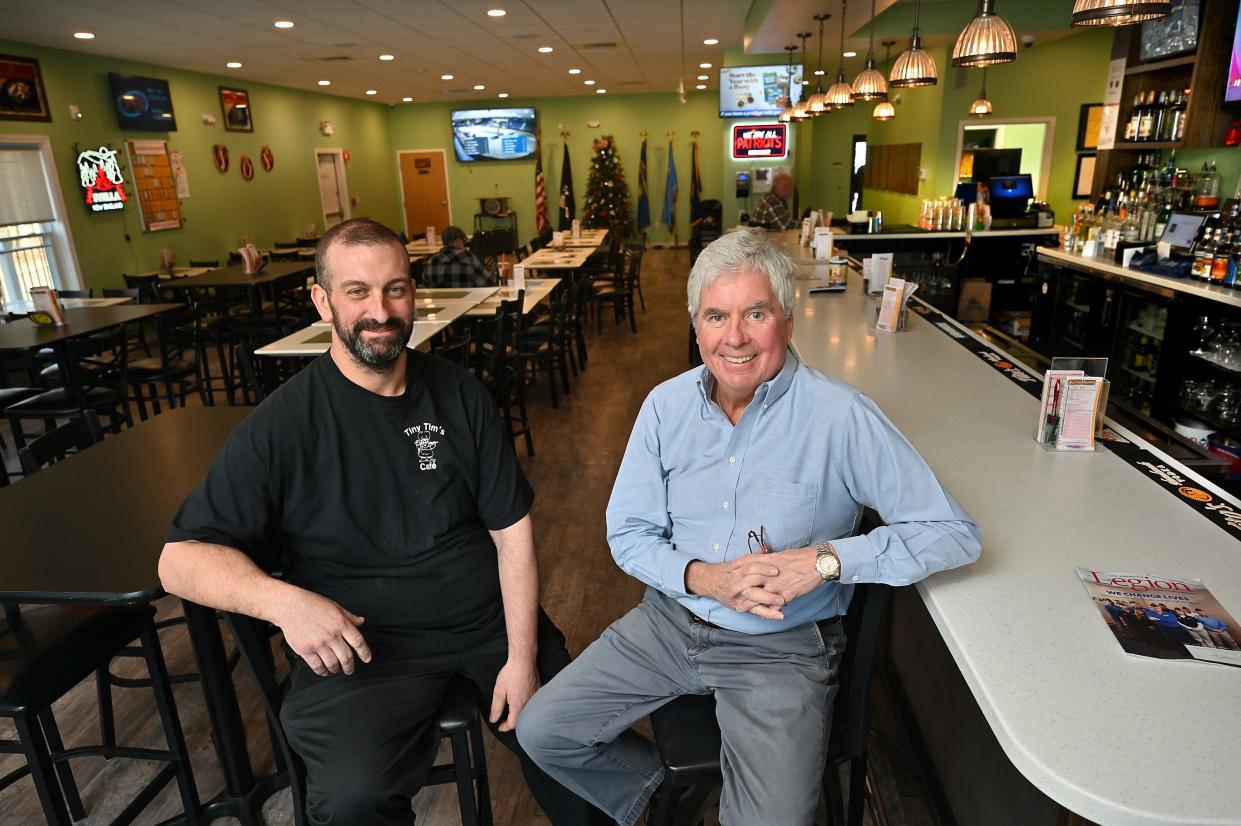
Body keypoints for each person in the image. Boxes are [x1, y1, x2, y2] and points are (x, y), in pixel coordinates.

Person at [516, 230, 982, 826]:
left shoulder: (839, 416)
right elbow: (628, 532)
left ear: (786, 321)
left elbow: (952, 530)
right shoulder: (664, 407)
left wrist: (826, 561)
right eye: (716, 316)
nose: (733, 337)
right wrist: (703, 579)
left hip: (780, 651)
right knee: (543, 731)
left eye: (754, 313)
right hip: (671, 620)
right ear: (696, 324)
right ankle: (662, 794)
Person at [158, 218, 607, 825]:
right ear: (322, 301)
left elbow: (511, 532)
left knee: (584, 752)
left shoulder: (460, 393)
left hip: (487, 621)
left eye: (395, 288)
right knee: (350, 798)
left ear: (413, 292)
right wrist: (284, 603)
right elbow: (178, 559)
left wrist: (522, 658)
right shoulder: (283, 425)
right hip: (364, 647)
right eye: (357, 291)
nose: (381, 310)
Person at [421, 225, 495, 287]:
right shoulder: (467, 257)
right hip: (468, 302)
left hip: (439, 302)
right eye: (464, 242)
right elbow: (487, 282)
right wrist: (492, 271)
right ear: (458, 241)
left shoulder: (432, 260)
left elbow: (425, 283)